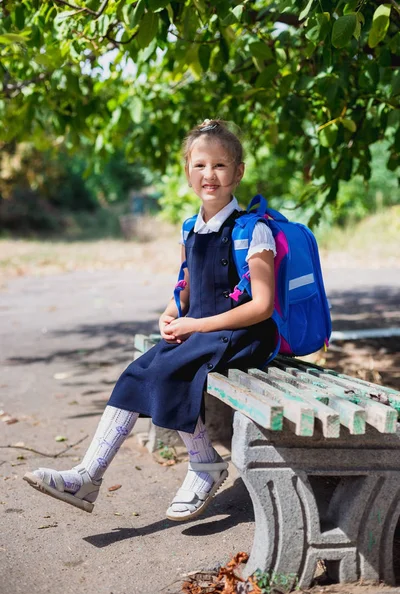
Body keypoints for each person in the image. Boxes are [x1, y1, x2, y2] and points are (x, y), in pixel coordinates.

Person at [23, 119, 277, 521]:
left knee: (167, 370)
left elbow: (262, 306)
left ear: (238, 172)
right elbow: (187, 290)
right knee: (138, 370)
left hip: (242, 334)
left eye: (220, 166)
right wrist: (172, 313)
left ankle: (203, 464)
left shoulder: (253, 230)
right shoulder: (191, 228)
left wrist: (194, 325)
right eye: (199, 165)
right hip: (203, 332)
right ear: (187, 170)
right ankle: (87, 476)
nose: (209, 175)